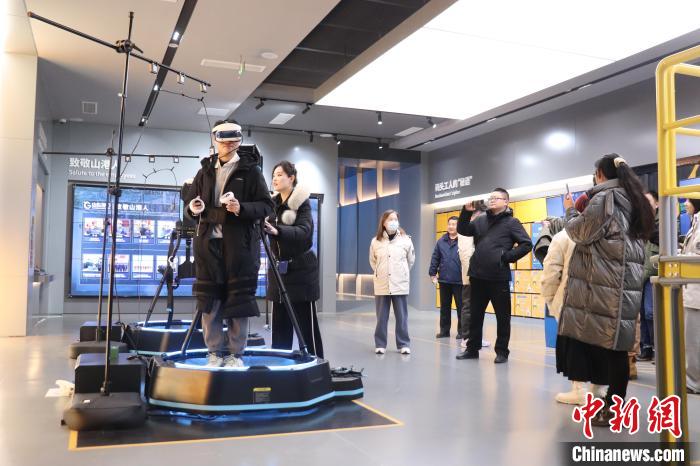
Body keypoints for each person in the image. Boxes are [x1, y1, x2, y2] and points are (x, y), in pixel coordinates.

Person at [558, 153, 654, 426]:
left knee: (610, 347)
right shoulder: (633, 199)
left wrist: (570, 210)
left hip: (605, 281)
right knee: (616, 346)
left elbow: (580, 232)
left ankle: (613, 408)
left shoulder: (605, 198)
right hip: (624, 280)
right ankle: (613, 402)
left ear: (600, 174)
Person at [185, 119, 273, 367]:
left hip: (239, 249)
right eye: (224, 140)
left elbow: (267, 206)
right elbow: (189, 207)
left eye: (234, 139)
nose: (229, 144)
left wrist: (240, 208)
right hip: (208, 247)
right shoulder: (204, 171)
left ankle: (236, 354)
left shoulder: (251, 171)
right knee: (210, 302)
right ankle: (214, 352)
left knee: (238, 302)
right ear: (215, 140)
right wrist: (194, 208)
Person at [542, 194, 607, 404]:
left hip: (571, 301)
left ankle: (579, 390)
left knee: (575, 345)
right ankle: (598, 388)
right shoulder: (608, 233)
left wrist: (551, 300)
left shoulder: (563, 236)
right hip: (603, 301)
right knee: (600, 344)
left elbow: (551, 272)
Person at [456, 188, 533, 363]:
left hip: (498, 278)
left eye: (496, 198)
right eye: (490, 197)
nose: (492, 200)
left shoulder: (512, 222)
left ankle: (502, 352)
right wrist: (466, 212)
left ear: (506, 202)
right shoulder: (480, 220)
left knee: (502, 317)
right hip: (477, 276)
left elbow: (526, 244)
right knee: (475, 316)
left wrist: (506, 257)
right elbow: (463, 229)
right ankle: (472, 349)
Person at [264, 161, 323, 358]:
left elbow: (304, 231)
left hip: (302, 273)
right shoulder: (271, 204)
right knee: (279, 328)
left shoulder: (302, 203)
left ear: (291, 178)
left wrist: (278, 230)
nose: (275, 178)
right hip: (278, 272)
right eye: (274, 175)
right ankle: (280, 368)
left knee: (307, 328)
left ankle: (316, 364)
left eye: (280, 174)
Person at [369, 210, 415, 354]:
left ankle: (403, 344)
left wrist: (401, 272)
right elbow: (373, 261)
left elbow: (410, 260)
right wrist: (380, 272)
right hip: (382, 283)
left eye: (395, 219)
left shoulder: (406, 240)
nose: (393, 222)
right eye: (390, 219)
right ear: (383, 222)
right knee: (381, 318)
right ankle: (380, 344)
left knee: (402, 317)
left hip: (400, 283)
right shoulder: (375, 241)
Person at [458, 204, 491, 349]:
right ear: (474, 216)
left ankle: (476, 337)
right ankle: (467, 337)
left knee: (477, 308)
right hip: (471, 276)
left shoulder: (478, 229)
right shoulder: (468, 230)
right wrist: (472, 275)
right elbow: (465, 255)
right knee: (469, 307)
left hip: (480, 274)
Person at [429, 216, 464, 339]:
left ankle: (462, 332)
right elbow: (435, 258)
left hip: (459, 280)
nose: (451, 226)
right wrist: (432, 273)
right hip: (444, 279)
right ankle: (444, 331)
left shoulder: (463, 241)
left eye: (454, 224)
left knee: (461, 307)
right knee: (444, 307)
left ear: (458, 226)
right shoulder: (441, 241)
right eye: (449, 224)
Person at [680, 197, 700, 395]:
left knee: (693, 340)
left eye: (688, 199)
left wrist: (680, 257)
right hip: (692, 290)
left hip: (696, 292)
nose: (685, 203)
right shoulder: (695, 222)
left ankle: (694, 382)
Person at [638, 191, 659, 362]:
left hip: (652, 275)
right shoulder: (641, 222)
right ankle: (646, 347)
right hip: (640, 274)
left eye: (648, 201)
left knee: (651, 313)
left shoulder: (660, 223)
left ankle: (657, 348)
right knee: (643, 313)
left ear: (657, 204)